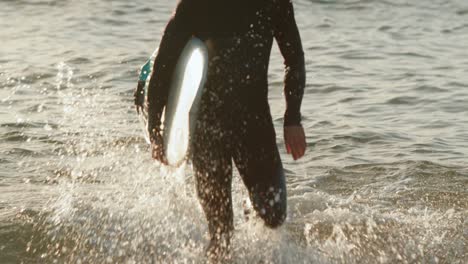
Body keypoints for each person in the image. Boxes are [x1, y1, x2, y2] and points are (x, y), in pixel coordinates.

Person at [143, 0, 306, 259]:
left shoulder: (274, 3)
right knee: (221, 234)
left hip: (254, 124)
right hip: (207, 129)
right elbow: (164, 65)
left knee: (274, 215)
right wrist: (156, 131)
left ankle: (250, 208)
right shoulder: (195, 5)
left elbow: (294, 58)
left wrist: (293, 119)